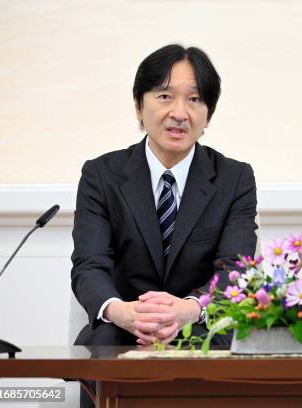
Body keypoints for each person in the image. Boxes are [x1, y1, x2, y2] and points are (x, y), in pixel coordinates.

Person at [71, 44, 258, 348]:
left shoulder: (234, 179)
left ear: (208, 114)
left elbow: (236, 269)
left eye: (195, 99)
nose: (180, 113)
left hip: (199, 331)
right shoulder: (101, 175)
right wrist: (124, 312)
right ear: (138, 105)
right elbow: (89, 265)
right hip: (122, 330)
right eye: (165, 96)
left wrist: (189, 309)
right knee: (102, 348)